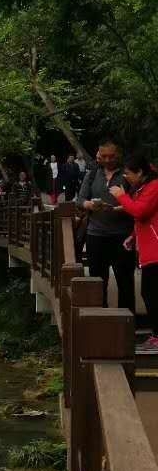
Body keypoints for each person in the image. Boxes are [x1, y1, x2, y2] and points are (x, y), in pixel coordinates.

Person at [76, 141, 136, 310]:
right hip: (96, 234)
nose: (108, 160)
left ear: (118, 155)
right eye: (104, 156)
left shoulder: (127, 175)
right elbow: (80, 200)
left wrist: (120, 206)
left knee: (125, 281)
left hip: (122, 235)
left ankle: (127, 321)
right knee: (97, 281)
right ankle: (100, 317)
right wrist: (89, 205)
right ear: (99, 156)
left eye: (112, 156)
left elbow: (137, 202)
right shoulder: (93, 174)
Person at [110, 152, 158, 350]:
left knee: (151, 293)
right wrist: (133, 236)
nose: (126, 177)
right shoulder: (143, 188)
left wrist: (121, 197)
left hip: (156, 250)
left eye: (129, 173)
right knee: (149, 292)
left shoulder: (154, 187)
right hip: (149, 250)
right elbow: (144, 218)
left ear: (140, 172)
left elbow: (140, 211)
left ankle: (157, 335)